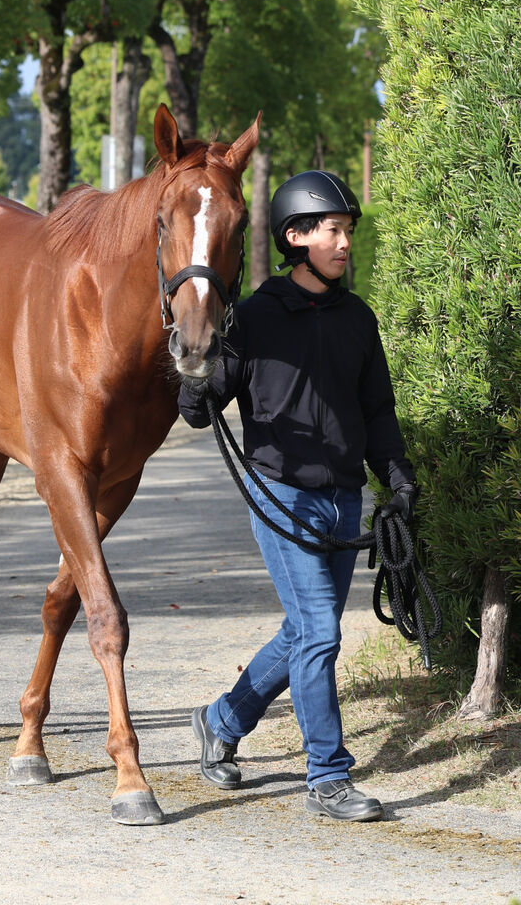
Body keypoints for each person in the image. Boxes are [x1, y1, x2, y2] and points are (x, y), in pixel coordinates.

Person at [178, 170, 417, 823]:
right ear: (296, 236)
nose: (344, 243)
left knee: (304, 632)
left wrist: (398, 483)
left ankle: (221, 720)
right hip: (280, 498)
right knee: (319, 632)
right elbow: (205, 408)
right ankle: (328, 777)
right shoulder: (253, 317)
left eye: (347, 231)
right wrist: (195, 385)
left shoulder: (358, 321)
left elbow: (378, 414)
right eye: (332, 230)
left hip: (343, 503)